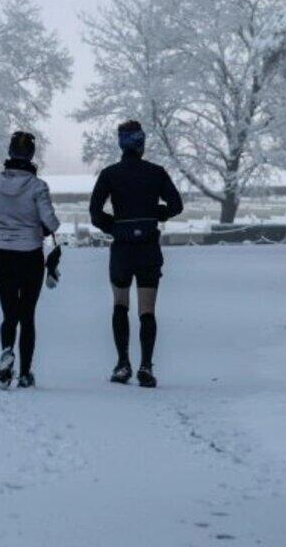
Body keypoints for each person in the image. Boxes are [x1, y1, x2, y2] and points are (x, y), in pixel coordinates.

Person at [88, 120, 183, 388]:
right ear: (141, 144)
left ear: (121, 143)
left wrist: (115, 226)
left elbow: (95, 213)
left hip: (122, 249)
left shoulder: (109, 174)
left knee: (120, 304)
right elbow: (176, 205)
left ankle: (122, 363)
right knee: (147, 309)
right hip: (148, 248)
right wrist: (154, 215)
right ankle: (146, 366)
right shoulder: (157, 173)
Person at [0, 131, 61, 389]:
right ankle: (26, 373)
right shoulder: (38, 187)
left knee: (9, 314)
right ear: (30, 155)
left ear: (9, 153)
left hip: (2, 255)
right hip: (30, 256)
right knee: (27, 315)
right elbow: (50, 222)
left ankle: (7, 350)